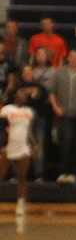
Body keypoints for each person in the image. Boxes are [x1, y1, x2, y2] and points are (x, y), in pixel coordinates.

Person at [49, 49, 76, 183]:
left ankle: (74, 173)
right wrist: (56, 107)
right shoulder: (59, 73)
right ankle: (64, 172)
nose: (73, 58)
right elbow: (52, 92)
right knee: (66, 142)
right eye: (71, 56)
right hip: (65, 115)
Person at [0, 88, 39, 216]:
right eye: (21, 93)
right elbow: (1, 128)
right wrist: (2, 146)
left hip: (24, 146)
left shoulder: (29, 111)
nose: (24, 95)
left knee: (22, 175)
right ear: (15, 95)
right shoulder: (7, 109)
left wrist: (36, 144)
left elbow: (30, 130)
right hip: (9, 145)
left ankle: (21, 203)